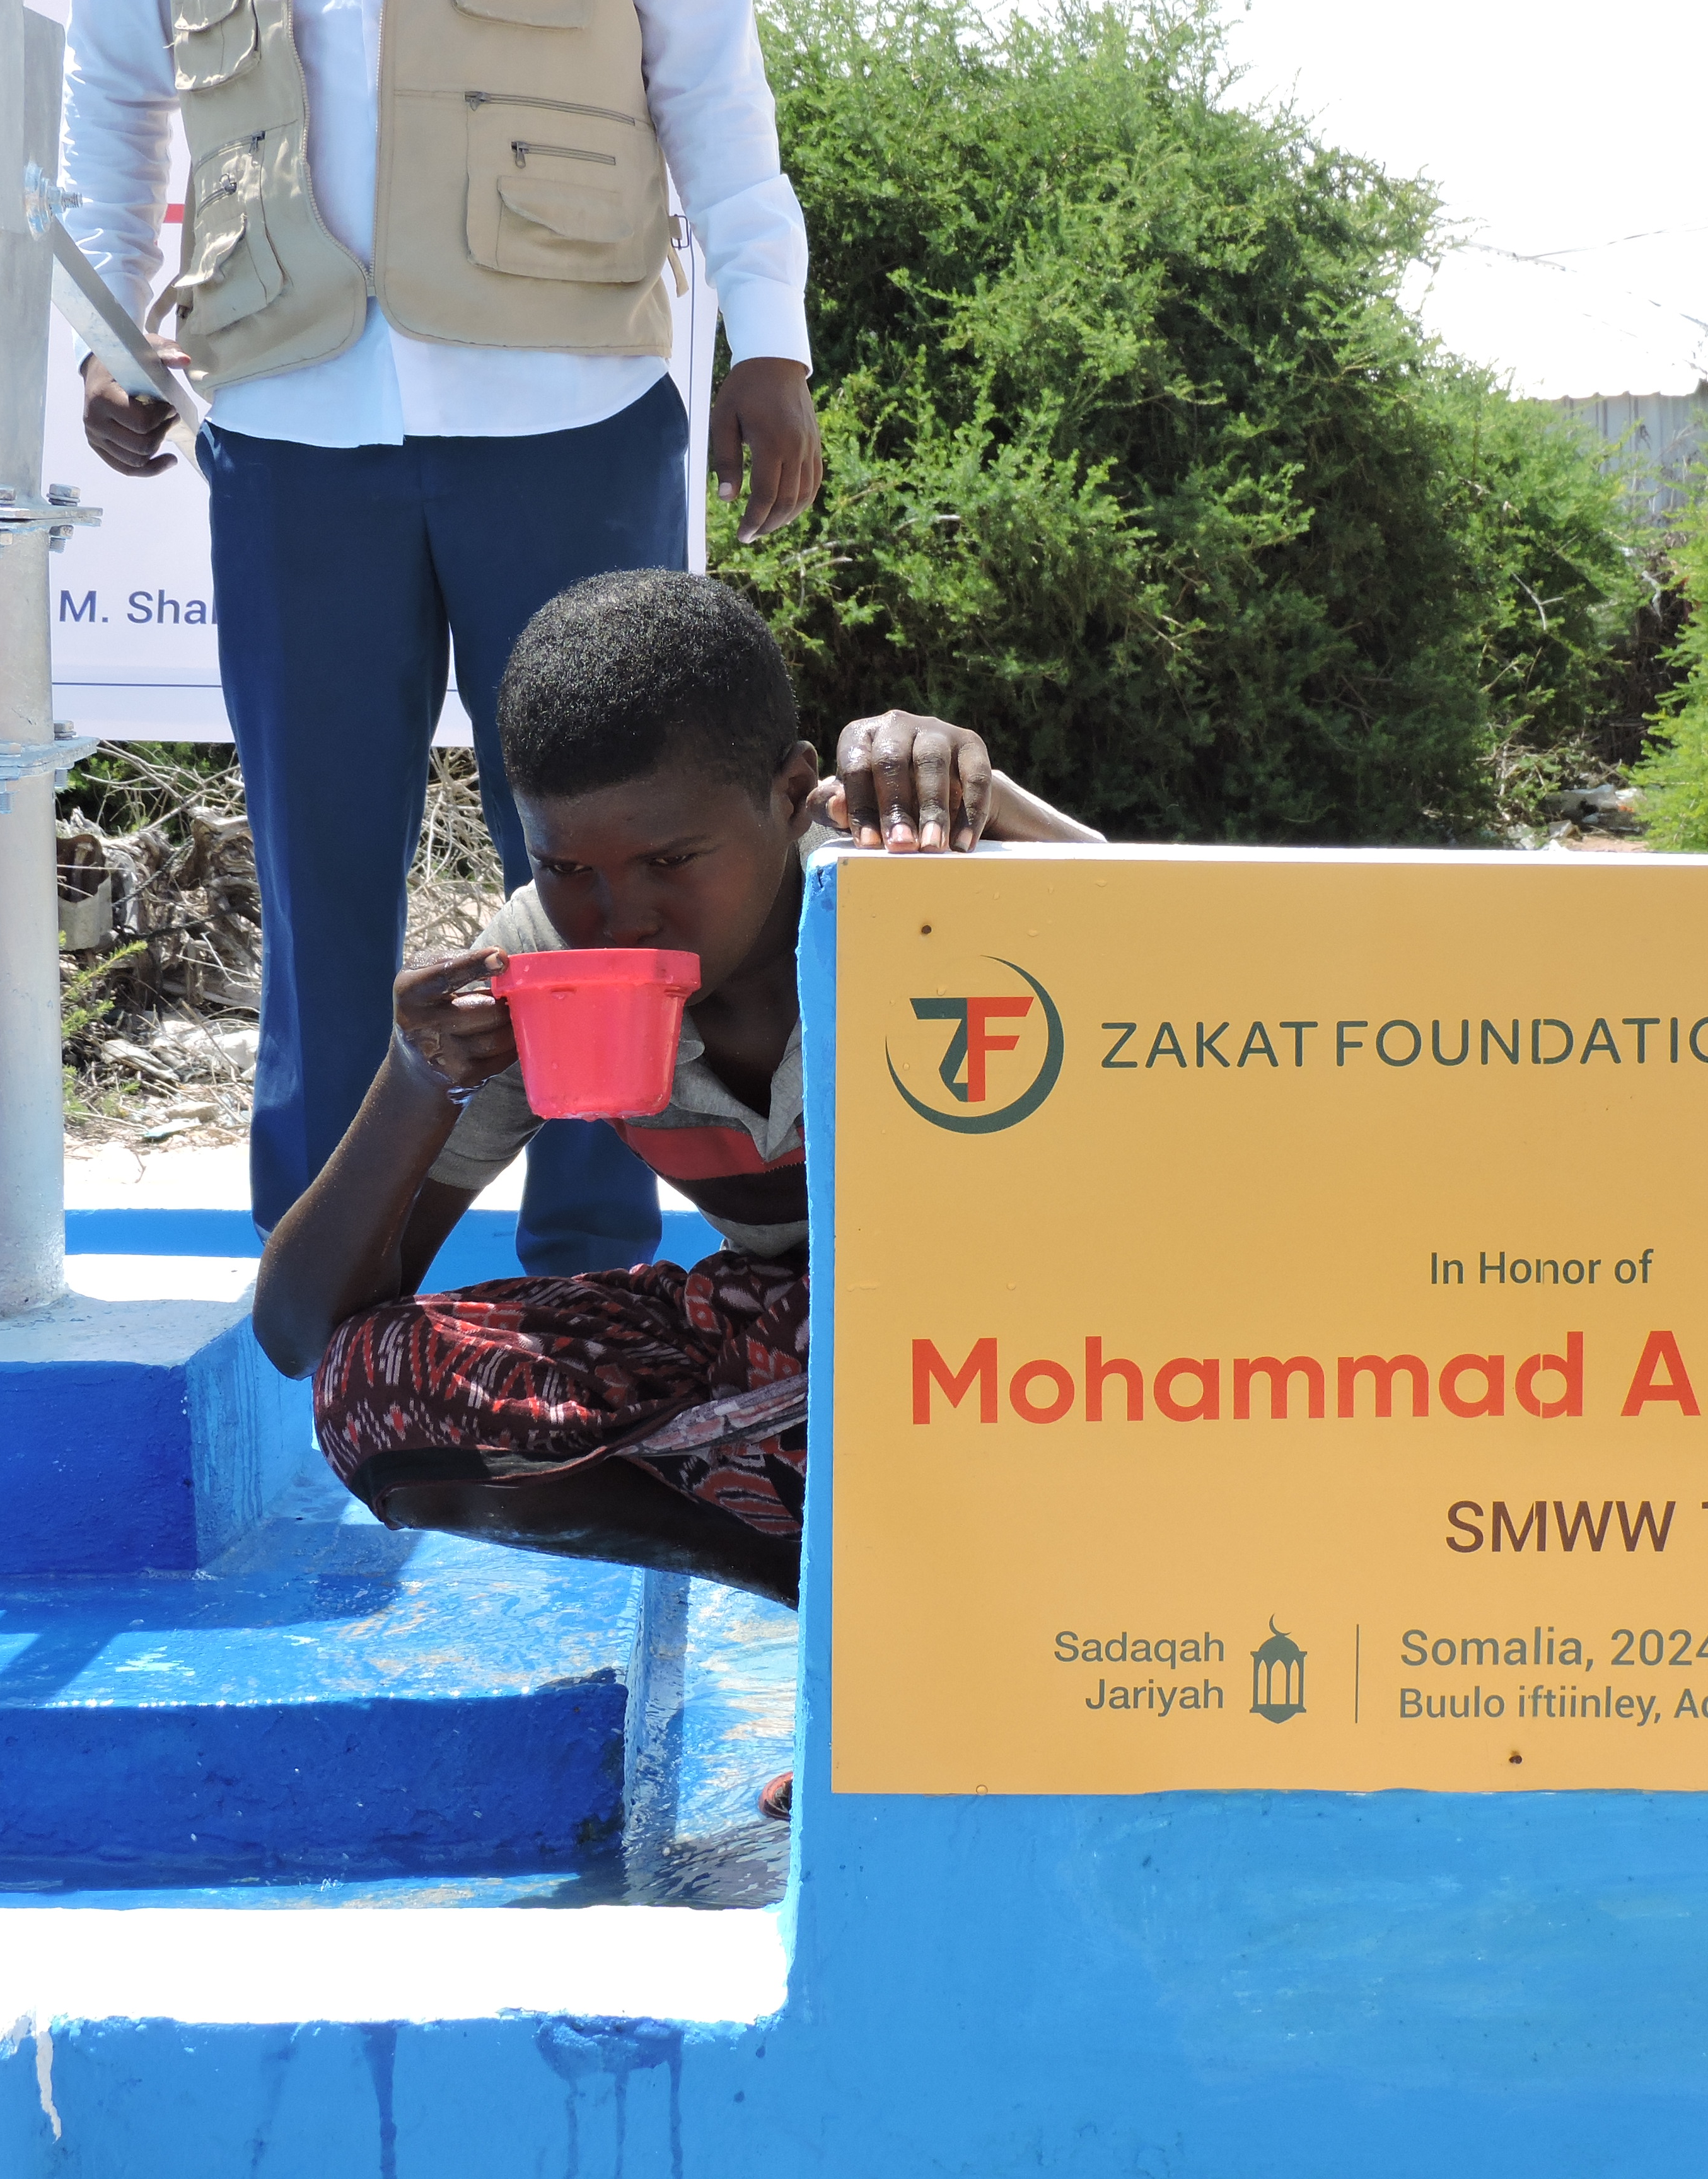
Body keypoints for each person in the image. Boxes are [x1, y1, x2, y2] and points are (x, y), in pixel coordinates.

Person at [61, 0, 825, 1261]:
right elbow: (115, 98)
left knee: (607, 883)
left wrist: (773, 343)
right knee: (316, 871)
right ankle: (321, 1271)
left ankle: (592, 1263)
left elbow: (711, 88)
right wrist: (107, 337)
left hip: (570, 408)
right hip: (287, 421)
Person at [252, 571, 1104, 1620]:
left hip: (1031, 1360)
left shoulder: (913, 888)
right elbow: (301, 1334)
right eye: (568, 866)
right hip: (799, 1351)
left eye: (671, 859)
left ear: (792, 794)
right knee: (374, 1387)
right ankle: (826, 1603)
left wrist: (1004, 810)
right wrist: (417, 1078)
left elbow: (1208, 984)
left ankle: (927, 1593)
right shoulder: (543, 964)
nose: (620, 917)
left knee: (901, 1362)